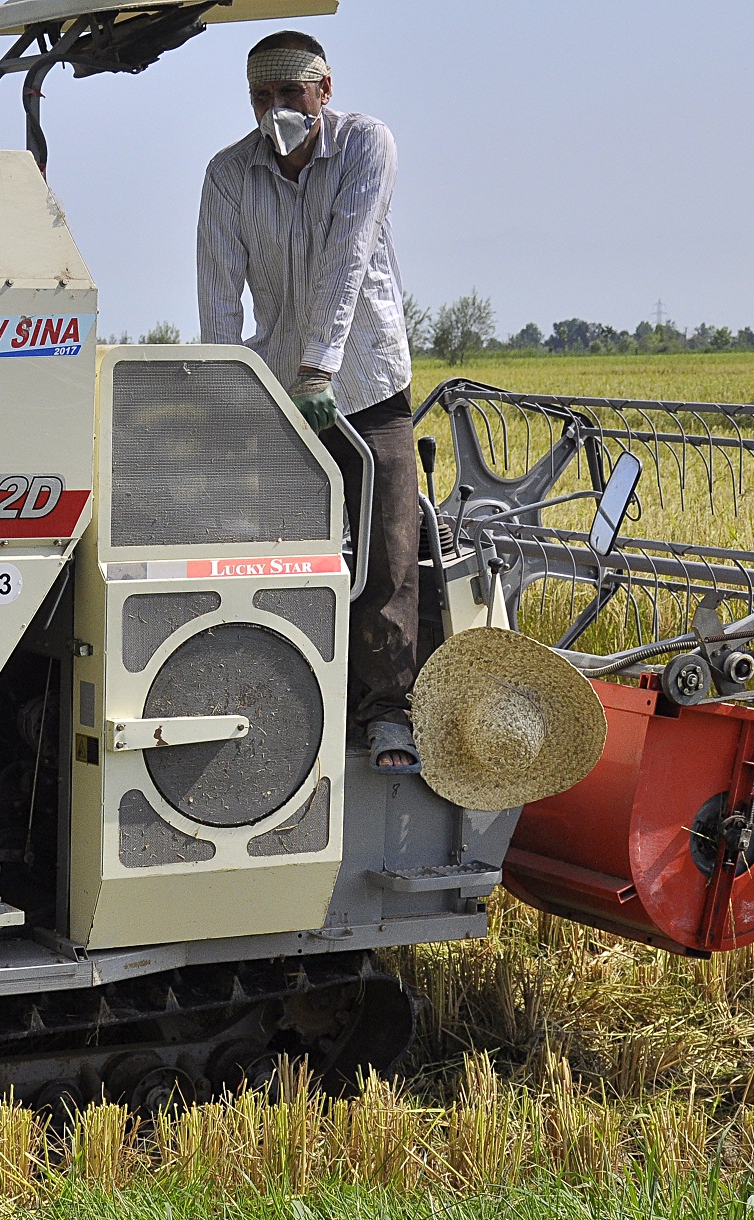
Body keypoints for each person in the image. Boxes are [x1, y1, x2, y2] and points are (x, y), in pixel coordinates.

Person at [198, 28, 422, 772]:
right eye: (262, 97)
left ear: (324, 90)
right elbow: (219, 295)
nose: (276, 111)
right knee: (286, 560)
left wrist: (319, 371)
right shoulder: (230, 174)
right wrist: (230, 392)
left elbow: (347, 258)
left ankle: (390, 712)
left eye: (290, 94)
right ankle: (292, 707)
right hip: (278, 400)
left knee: (386, 552)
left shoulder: (366, 146)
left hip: (363, 384)